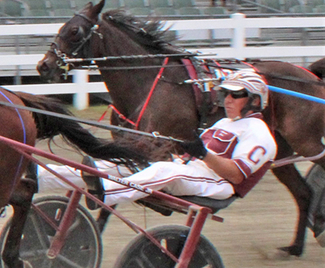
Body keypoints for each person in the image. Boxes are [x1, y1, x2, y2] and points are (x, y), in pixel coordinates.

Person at [36, 71, 277, 210]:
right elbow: (192, 153)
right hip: (191, 171)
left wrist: (202, 154)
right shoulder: (225, 123)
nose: (227, 99)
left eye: (236, 95)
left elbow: (236, 175)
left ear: (255, 101)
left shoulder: (259, 133)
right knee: (123, 164)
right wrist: (181, 151)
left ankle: (105, 193)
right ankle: (40, 177)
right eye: (226, 93)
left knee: (164, 170)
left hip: (217, 185)